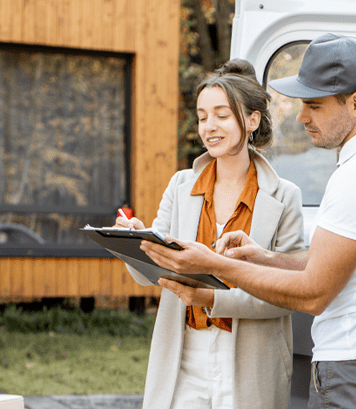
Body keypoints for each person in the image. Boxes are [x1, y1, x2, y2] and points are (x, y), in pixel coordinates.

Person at [143, 33, 356, 408]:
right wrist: (266, 257)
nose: (301, 117)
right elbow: (326, 264)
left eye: (314, 105)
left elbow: (314, 293)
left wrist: (214, 265)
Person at [114, 59, 305, 409]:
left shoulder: (285, 196)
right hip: (184, 358)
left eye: (221, 115)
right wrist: (137, 243)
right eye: (202, 117)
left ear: (251, 121)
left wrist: (211, 299)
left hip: (250, 363)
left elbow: (284, 295)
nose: (209, 127)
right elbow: (151, 276)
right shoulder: (180, 185)